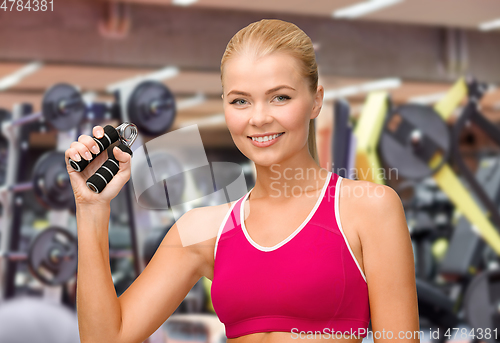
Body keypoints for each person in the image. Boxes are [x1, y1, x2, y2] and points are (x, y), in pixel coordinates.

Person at [66, 19, 419, 343]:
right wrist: (91, 208)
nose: (259, 118)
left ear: (315, 101)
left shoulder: (369, 209)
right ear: (224, 106)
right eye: (240, 101)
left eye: (280, 97)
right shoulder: (203, 230)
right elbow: (107, 339)